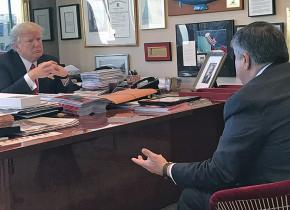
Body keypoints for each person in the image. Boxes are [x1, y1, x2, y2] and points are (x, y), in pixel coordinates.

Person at [132, 21, 290, 210]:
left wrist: (166, 168)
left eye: (236, 58)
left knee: (192, 196)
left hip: (276, 198)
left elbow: (220, 174)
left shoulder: (249, 99)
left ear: (245, 59)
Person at [0, 21, 77, 94]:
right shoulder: (3, 63)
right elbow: (4, 95)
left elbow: (66, 94)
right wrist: (31, 76)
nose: (37, 44)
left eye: (38, 39)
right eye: (30, 41)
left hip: (49, 107)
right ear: (16, 46)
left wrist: (64, 77)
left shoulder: (49, 61)